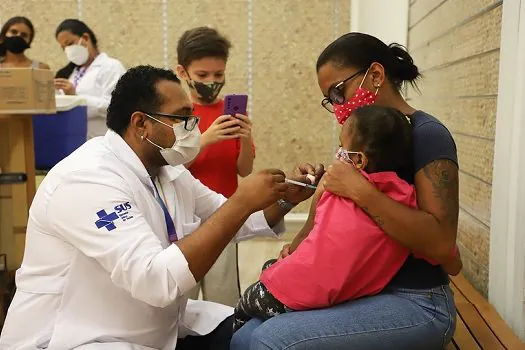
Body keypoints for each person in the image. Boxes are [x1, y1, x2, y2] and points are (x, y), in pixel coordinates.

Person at [0, 65, 322, 350]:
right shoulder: (87, 179)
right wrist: (241, 201)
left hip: (153, 326)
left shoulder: (167, 170)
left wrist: (285, 199)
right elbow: (157, 280)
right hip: (78, 337)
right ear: (141, 123)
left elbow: (232, 218)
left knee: (262, 335)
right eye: (182, 118)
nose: (193, 129)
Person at [231, 32, 460, 350]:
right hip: (364, 290)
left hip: (419, 302)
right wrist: (321, 196)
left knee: (267, 342)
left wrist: (360, 192)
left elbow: (440, 243)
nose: (338, 108)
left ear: (376, 75)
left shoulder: (427, 135)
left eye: (339, 92)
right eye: (331, 100)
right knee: (243, 336)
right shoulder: (366, 135)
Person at [176, 27, 255, 307]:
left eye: (218, 75)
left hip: (224, 214)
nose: (212, 81)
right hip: (182, 220)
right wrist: (205, 139)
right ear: (183, 72)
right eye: (202, 75)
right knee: (183, 294)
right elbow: (170, 166)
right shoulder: (177, 114)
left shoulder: (230, 114)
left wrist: (244, 139)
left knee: (223, 297)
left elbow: (244, 170)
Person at [54, 19, 126, 139]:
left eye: (70, 43)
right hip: (75, 142)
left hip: (103, 141)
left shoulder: (111, 67)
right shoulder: (72, 74)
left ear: (86, 38)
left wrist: (76, 98)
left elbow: (115, 107)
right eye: (63, 48)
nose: (67, 50)